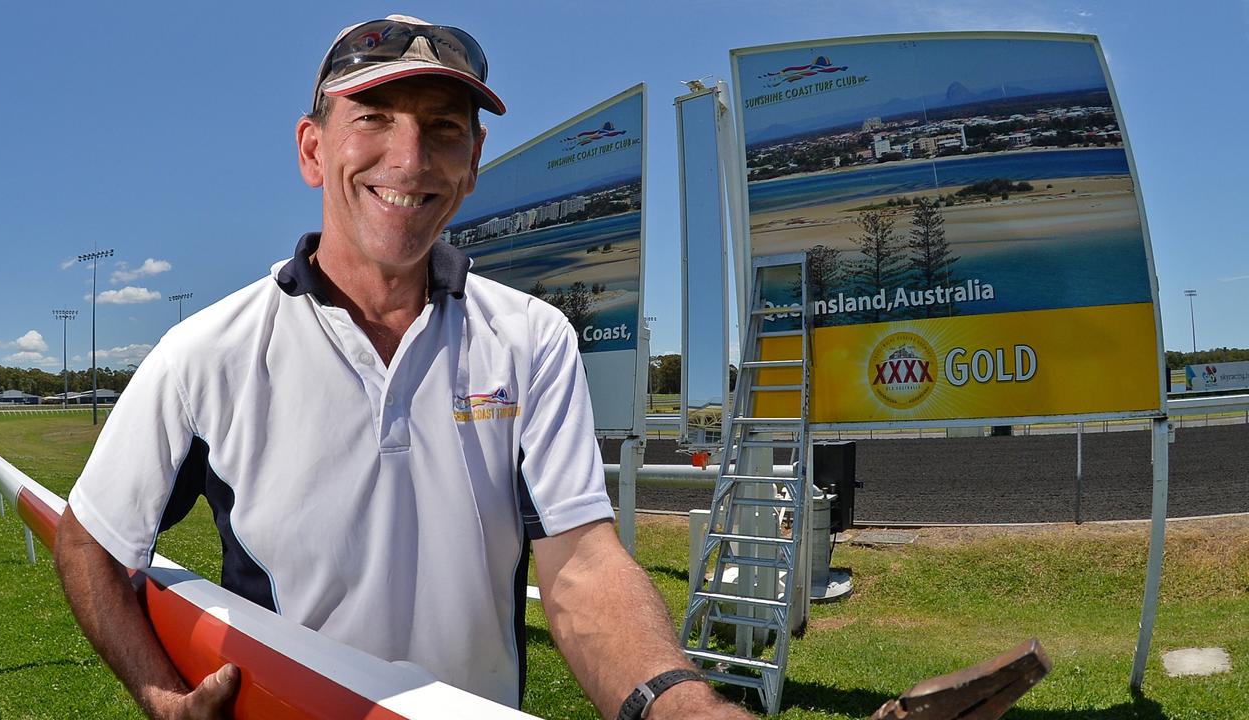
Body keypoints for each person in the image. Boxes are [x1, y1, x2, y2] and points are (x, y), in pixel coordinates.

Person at [53, 13, 752, 720]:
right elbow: (90, 540)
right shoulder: (207, 352)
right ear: (312, 148)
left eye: (444, 128)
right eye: (374, 117)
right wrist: (158, 693)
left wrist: (682, 709)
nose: (410, 159)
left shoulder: (531, 336)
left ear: (474, 161)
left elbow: (580, 565)